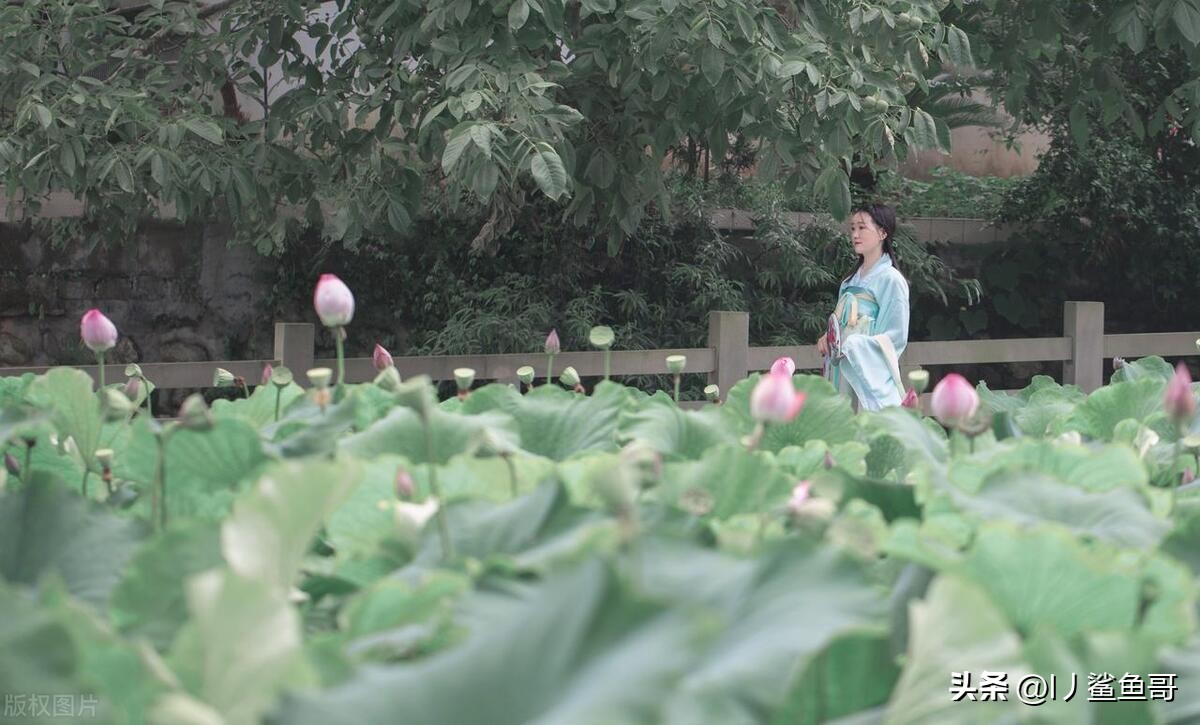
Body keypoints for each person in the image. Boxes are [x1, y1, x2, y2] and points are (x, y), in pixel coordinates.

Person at [816, 204, 910, 411]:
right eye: (852, 228)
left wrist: (854, 345)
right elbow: (840, 323)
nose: (855, 234)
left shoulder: (891, 280)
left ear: (882, 233)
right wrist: (828, 337)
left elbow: (895, 336)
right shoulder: (849, 281)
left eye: (862, 228)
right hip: (841, 369)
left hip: (865, 372)